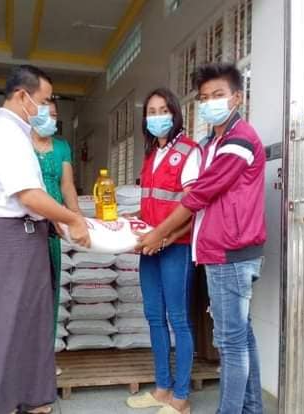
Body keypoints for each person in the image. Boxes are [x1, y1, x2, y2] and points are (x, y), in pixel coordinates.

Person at [138, 63, 267, 414]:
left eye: (218, 95)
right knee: (241, 337)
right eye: (205, 97)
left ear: (237, 97)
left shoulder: (239, 141)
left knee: (230, 343)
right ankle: (252, 409)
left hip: (231, 251)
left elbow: (198, 197)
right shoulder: (213, 142)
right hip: (217, 250)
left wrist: (160, 234)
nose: (211, 103)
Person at [0, 64, 90, 414]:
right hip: (10, 238)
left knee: (33, 319)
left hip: (28, 234)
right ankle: (4, 403)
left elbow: (36, 197)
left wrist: (53, 220)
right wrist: (72, 218)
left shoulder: (17, 133)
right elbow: (28, 195)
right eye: (45, 99)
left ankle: (34, 395)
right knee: (7, 322)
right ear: (23, 96)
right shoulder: (5, 134)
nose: (47, 107)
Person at [126, 88, 201, 414]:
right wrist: (131, 220)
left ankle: (181, 397)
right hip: (150, 249)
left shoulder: (189, 151)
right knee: (154, 316)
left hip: (175, 248)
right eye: (151, 112)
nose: (157, 117)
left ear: (175, 114)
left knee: (179, 319)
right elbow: (154, 205)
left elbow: (193, 207)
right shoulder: (151, 155)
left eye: (163, 110)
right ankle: (161, 388)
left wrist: (166, 239)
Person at [30, 99, 81, 376]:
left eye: (54, 115)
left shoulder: (62, 147)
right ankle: (22, 361)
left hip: (54, 230)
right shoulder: (20, 144)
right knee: (27, 295)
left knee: (49, 293)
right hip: (26, 226)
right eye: (44, 114)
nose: (50, 119)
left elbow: (67, 185)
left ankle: (44, 360)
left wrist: (76, 217)